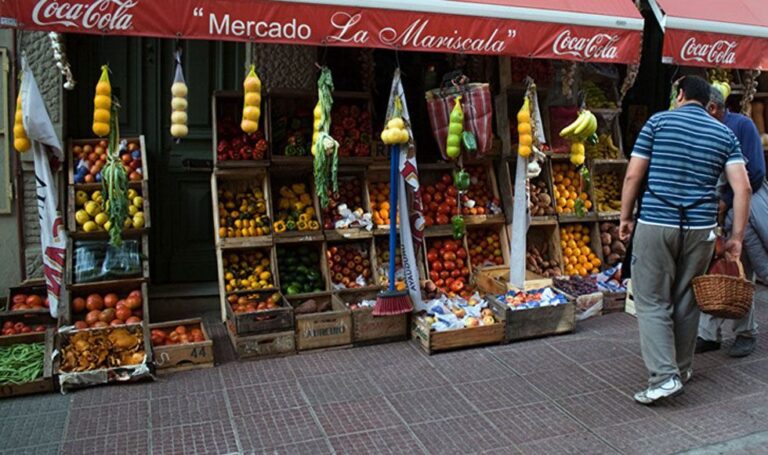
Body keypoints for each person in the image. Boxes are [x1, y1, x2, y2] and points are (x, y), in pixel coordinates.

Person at [619, 75, 751, 405]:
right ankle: (681, 368)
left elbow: (634, 173)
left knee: (651, 301)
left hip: (656, 222)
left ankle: (664, 378)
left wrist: (624, 217)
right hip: (701, 229)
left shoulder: (658, 123)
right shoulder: (724, 133)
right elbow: (743, 188)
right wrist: (736, 237)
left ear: (680, 95)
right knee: (686, 300)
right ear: (708, 101)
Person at [697, 87, 768, 357]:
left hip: (742, 209)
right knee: (712, 268)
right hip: (712, 211)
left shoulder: (742, 125)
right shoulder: (704, 130)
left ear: (713, 108)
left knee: (741, 268)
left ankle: (745, 332)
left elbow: (756, 172)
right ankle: (708, 332)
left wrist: (727, 198)